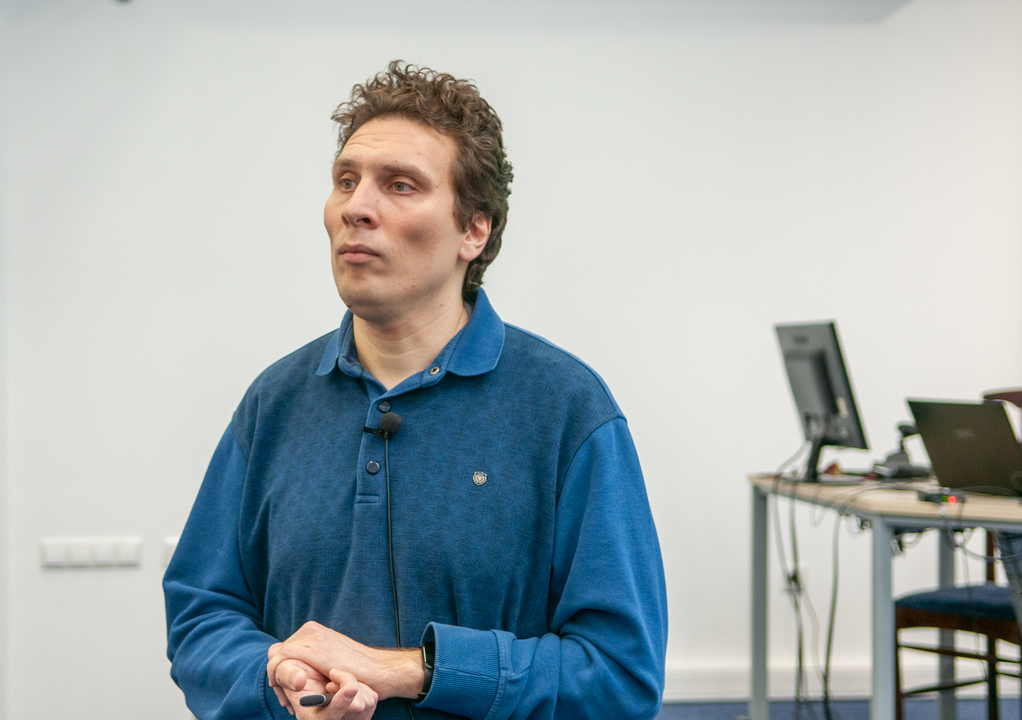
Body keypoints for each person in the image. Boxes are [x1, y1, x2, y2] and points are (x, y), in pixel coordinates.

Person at [163, 61, 667, 720]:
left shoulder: (566, 410)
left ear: (473, 230)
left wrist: (413, 670)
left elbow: (620, 675)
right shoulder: (274, 403)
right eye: (346, 181)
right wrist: (276, 676)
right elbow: (201, 617)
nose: (356, 207)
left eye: (400, 185)